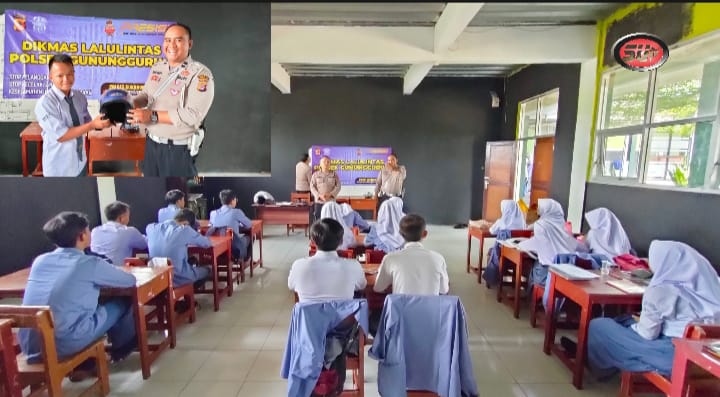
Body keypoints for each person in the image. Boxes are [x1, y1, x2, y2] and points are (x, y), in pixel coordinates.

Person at [19, 212, 137, 380]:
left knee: (81, 307)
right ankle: (121, 350)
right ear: (82, 236)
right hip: (64, 344)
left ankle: (87, 363)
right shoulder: (89, 263)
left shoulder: (40, 261)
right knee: (123, 301)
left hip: (31, 345)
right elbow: (129, 280)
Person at [582, 241, 720, 380]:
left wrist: (636, 325)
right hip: (708, 355)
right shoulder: (713, 284)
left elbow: (647, 334)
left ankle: (599, 368)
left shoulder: (660, 289)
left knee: (599, 326)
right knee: (624, 320)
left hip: (673, 356)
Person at [128, 23, 215, 177]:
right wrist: (132, 102)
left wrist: (152, 116)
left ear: (190, 44)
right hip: (150, 145)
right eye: (167, 40)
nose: (171, 45)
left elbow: (193, 115)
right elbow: (147, 95)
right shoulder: (158, 67)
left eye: (178, 40)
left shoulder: (201, 74)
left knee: (177, 188)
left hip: (176, 150)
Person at [35, 54, 112, 176]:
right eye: (60, 75)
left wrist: (104, 121)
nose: (66, 79)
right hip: (59, 170)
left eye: (70, 74)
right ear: (50, 77)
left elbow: (87, 123)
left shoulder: (79, 97)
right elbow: (61, 135)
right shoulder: (45, 103)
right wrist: (92, 125)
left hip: (80, 164)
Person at [288, 218, 367, 303]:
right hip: (342, 316)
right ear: (341, 241)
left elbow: (291, 286)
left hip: (310, 316)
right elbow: (362, 286)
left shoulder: (299, 266)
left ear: (313, 242)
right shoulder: (353, 266)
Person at [518, 198, 588, 290]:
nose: (538, 211)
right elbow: (580, 247)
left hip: (546, 275)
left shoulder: (541, 225)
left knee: (533, 267)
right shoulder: (562, 224)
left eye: (540, 209)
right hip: (565, 273)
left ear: (546, 211)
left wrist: (520, 244)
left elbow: (536, 243)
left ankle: (531, 297)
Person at [373, 214, 449, 295]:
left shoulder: (390, 258)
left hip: (401, 307)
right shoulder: (438, 258)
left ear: (400, 234)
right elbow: (444, 290)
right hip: (430, 307)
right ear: (425, 234)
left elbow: (378, 288)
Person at [146, 208, 212, 287]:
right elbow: (206, 243)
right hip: (178, 277)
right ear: (186, 223)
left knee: (190, 260)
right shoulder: (185, 230)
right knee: (207, 269)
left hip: (156, 277)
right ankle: (189, 290)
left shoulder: (151, 228)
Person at [90, 201, 148, 266]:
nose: (129, 219)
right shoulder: (129, 231)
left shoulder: (95, 231)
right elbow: (144, 245)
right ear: (121, 218)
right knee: (145, 256)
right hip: (119, 272)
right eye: (128, 216)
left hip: (97, 271)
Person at [209, 189, 253, 261]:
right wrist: (239, 225)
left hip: (217, 249)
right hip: (233, 248)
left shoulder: (213, 213)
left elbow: (211, 227)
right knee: (250, 236)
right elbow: (249, 225)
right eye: (236, 199)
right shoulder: (236, 212)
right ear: (232, 200)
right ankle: (244, 260)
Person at [310, 155, 341, 221]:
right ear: (320, 164)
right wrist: (319, 196)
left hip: (331, 202)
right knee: (319, 221)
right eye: (324, 162)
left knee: (331, 221)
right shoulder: (315, 175)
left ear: (330, 164)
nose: (326, 163)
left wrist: (331, 194)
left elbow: (338, 186)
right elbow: (312, 187)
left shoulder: (334, 174)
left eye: (328, 162)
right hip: (319, 202)